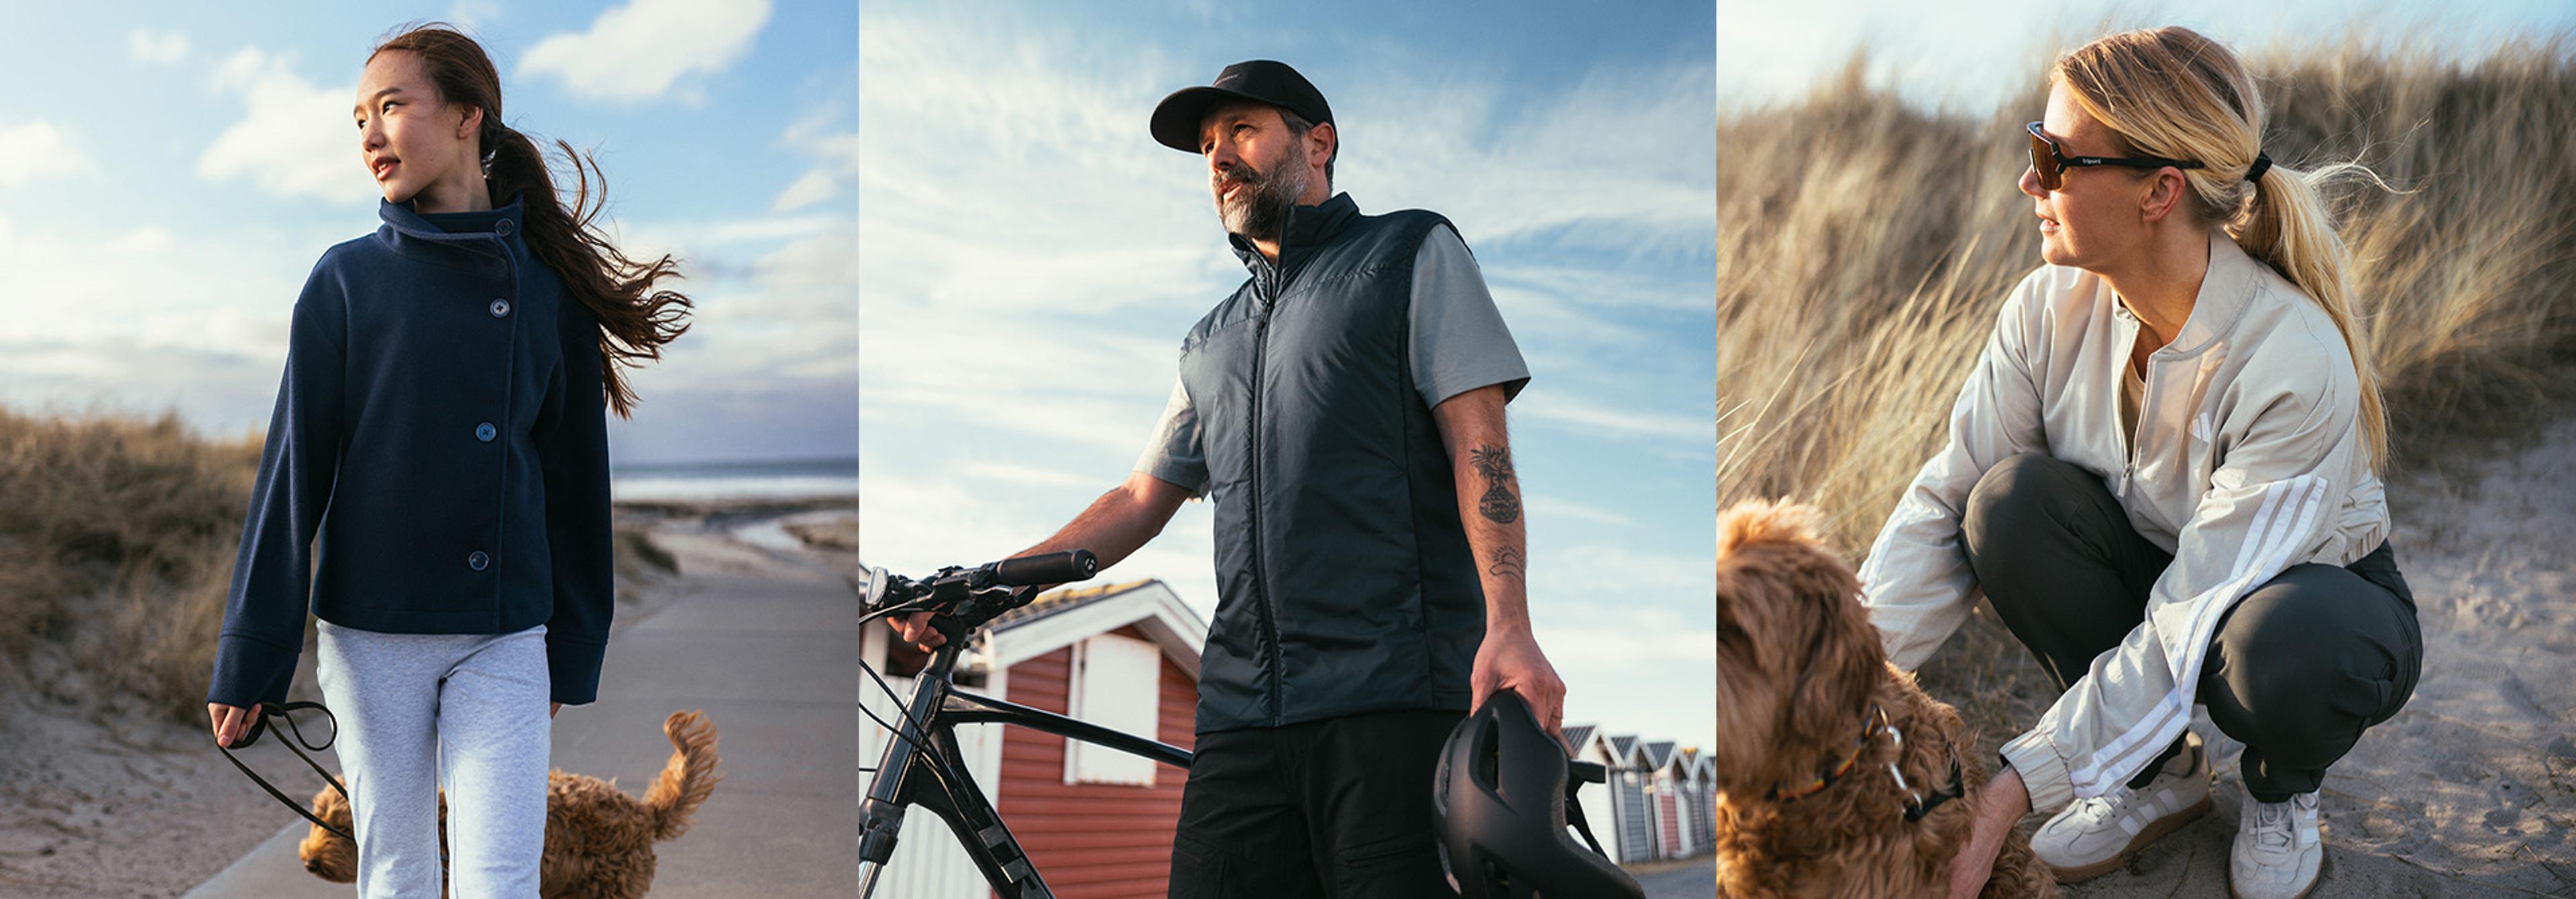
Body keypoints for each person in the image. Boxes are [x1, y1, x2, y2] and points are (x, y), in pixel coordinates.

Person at [890, 59, 1567, 897]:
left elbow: (1482, 448)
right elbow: (1139, 500)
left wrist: (1511, 623)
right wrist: (994, 582)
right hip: (1241, 723)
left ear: (1318, 143)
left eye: (1242, 131)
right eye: (1208, 146)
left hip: (1391, 705)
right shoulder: (1208, 341)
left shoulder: (1411, 252)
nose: (1218, 159)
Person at [1852, 27, 2421, 899]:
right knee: (2002, 507)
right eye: (2029, 148)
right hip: (2161, 565)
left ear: (2159, 190)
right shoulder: (2046, 308)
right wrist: (1839, 684)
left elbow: (2192, 614)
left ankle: (2282, 789)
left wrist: (2008, 794)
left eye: (2051, 157)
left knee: (2274, 649)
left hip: (2313, 601)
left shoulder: (2292, 357)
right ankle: (2158, 775)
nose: (2026, 181)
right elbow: (1949, 498)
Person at [203, 23, 690, 898]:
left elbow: (577, 487)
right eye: (358, 120)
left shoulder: (550, 296)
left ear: (471, 115)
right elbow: (293, 473)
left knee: (499, 875)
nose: (370, 136)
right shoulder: (345, 280)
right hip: (369, 634)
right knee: (396, 870)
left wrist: (572, 646)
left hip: (503, 634)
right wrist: (254, 651)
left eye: (392, 107)